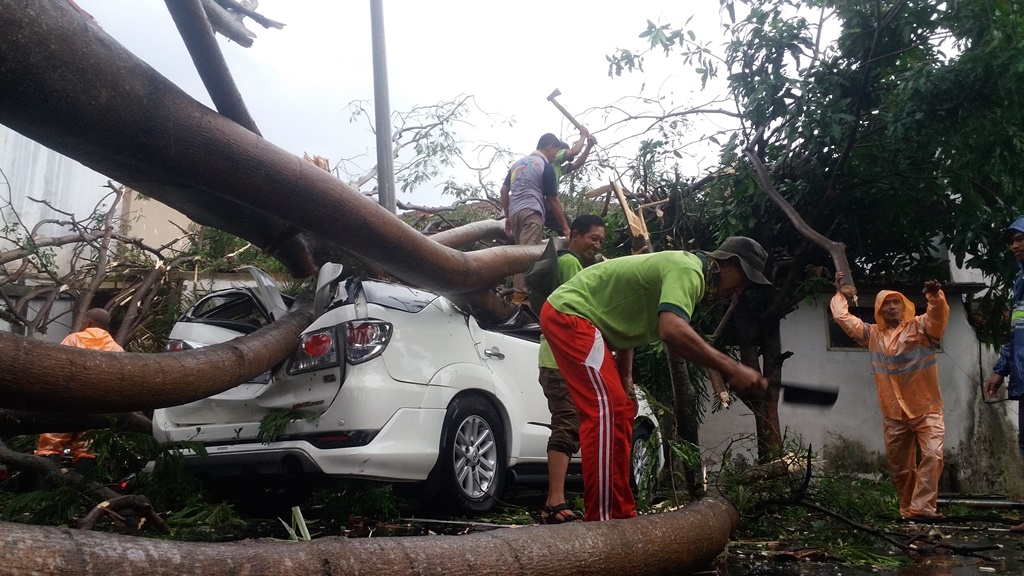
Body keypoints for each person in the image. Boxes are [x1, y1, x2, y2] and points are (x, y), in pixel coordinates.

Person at [540, 236, 772, 521]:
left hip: (589, 323)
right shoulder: (689, 270)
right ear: (728, 263)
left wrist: (625, 376)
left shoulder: (687, 272)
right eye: (743, 278)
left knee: (622, 409)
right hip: (571, 314)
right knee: (606, 411)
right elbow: (672, 331)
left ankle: (620, 512)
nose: (740, 289)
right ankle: (604, 518)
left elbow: (626, 322)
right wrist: (732, 368)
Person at [830, 271, 949, 520]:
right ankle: (908, 509)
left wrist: (935, 296)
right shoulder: (872, 334)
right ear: (878, 310)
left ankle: (923, 508)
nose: (892, 307)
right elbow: (842, 317)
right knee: (901, 467)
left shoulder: (921, 327)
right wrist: (841, 292)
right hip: (894, 412)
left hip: (925, 407)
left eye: (896, 302)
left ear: (905, 306)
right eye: (886, 304)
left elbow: (938, 316)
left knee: (932, 455)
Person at [536, 214, 606, 524]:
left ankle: (558, 500)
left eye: (601, 240)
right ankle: (554, 502)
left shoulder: (572, 264)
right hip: (560, 359)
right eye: (593, 237)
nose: (597, 244)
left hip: (560, 359)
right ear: (574, 236)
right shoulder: (569, 265)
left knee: (571, 423)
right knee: (566, 423)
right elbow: (576, 314)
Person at [34, 308, 124, 474]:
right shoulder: (117, 349)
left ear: (88, 322)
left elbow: (57, 368)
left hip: (67, 402)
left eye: (83, 321)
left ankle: (44, 490)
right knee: (87, 448)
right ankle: (82, 493)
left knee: (51, 444)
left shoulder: (73, 339)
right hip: (97, 407)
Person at [500, 133, 576, 305]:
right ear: (550, 147)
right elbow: (553, 199)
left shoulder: (517, 165)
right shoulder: (545, 165)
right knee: (526, 256)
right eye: (555, 151)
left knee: (520, 250)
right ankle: (520, 299)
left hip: (515, 213)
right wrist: (565, 227)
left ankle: (517, 294)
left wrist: (507, 216)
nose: (554, 156)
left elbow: (504, 191)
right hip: (532, 213)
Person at [985, 217, 1024, 459]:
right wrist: (1001, 370)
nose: (1014, 246)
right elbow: (1017, 331)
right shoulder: (1020, 283)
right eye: (1012, 242)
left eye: (1020, 239)